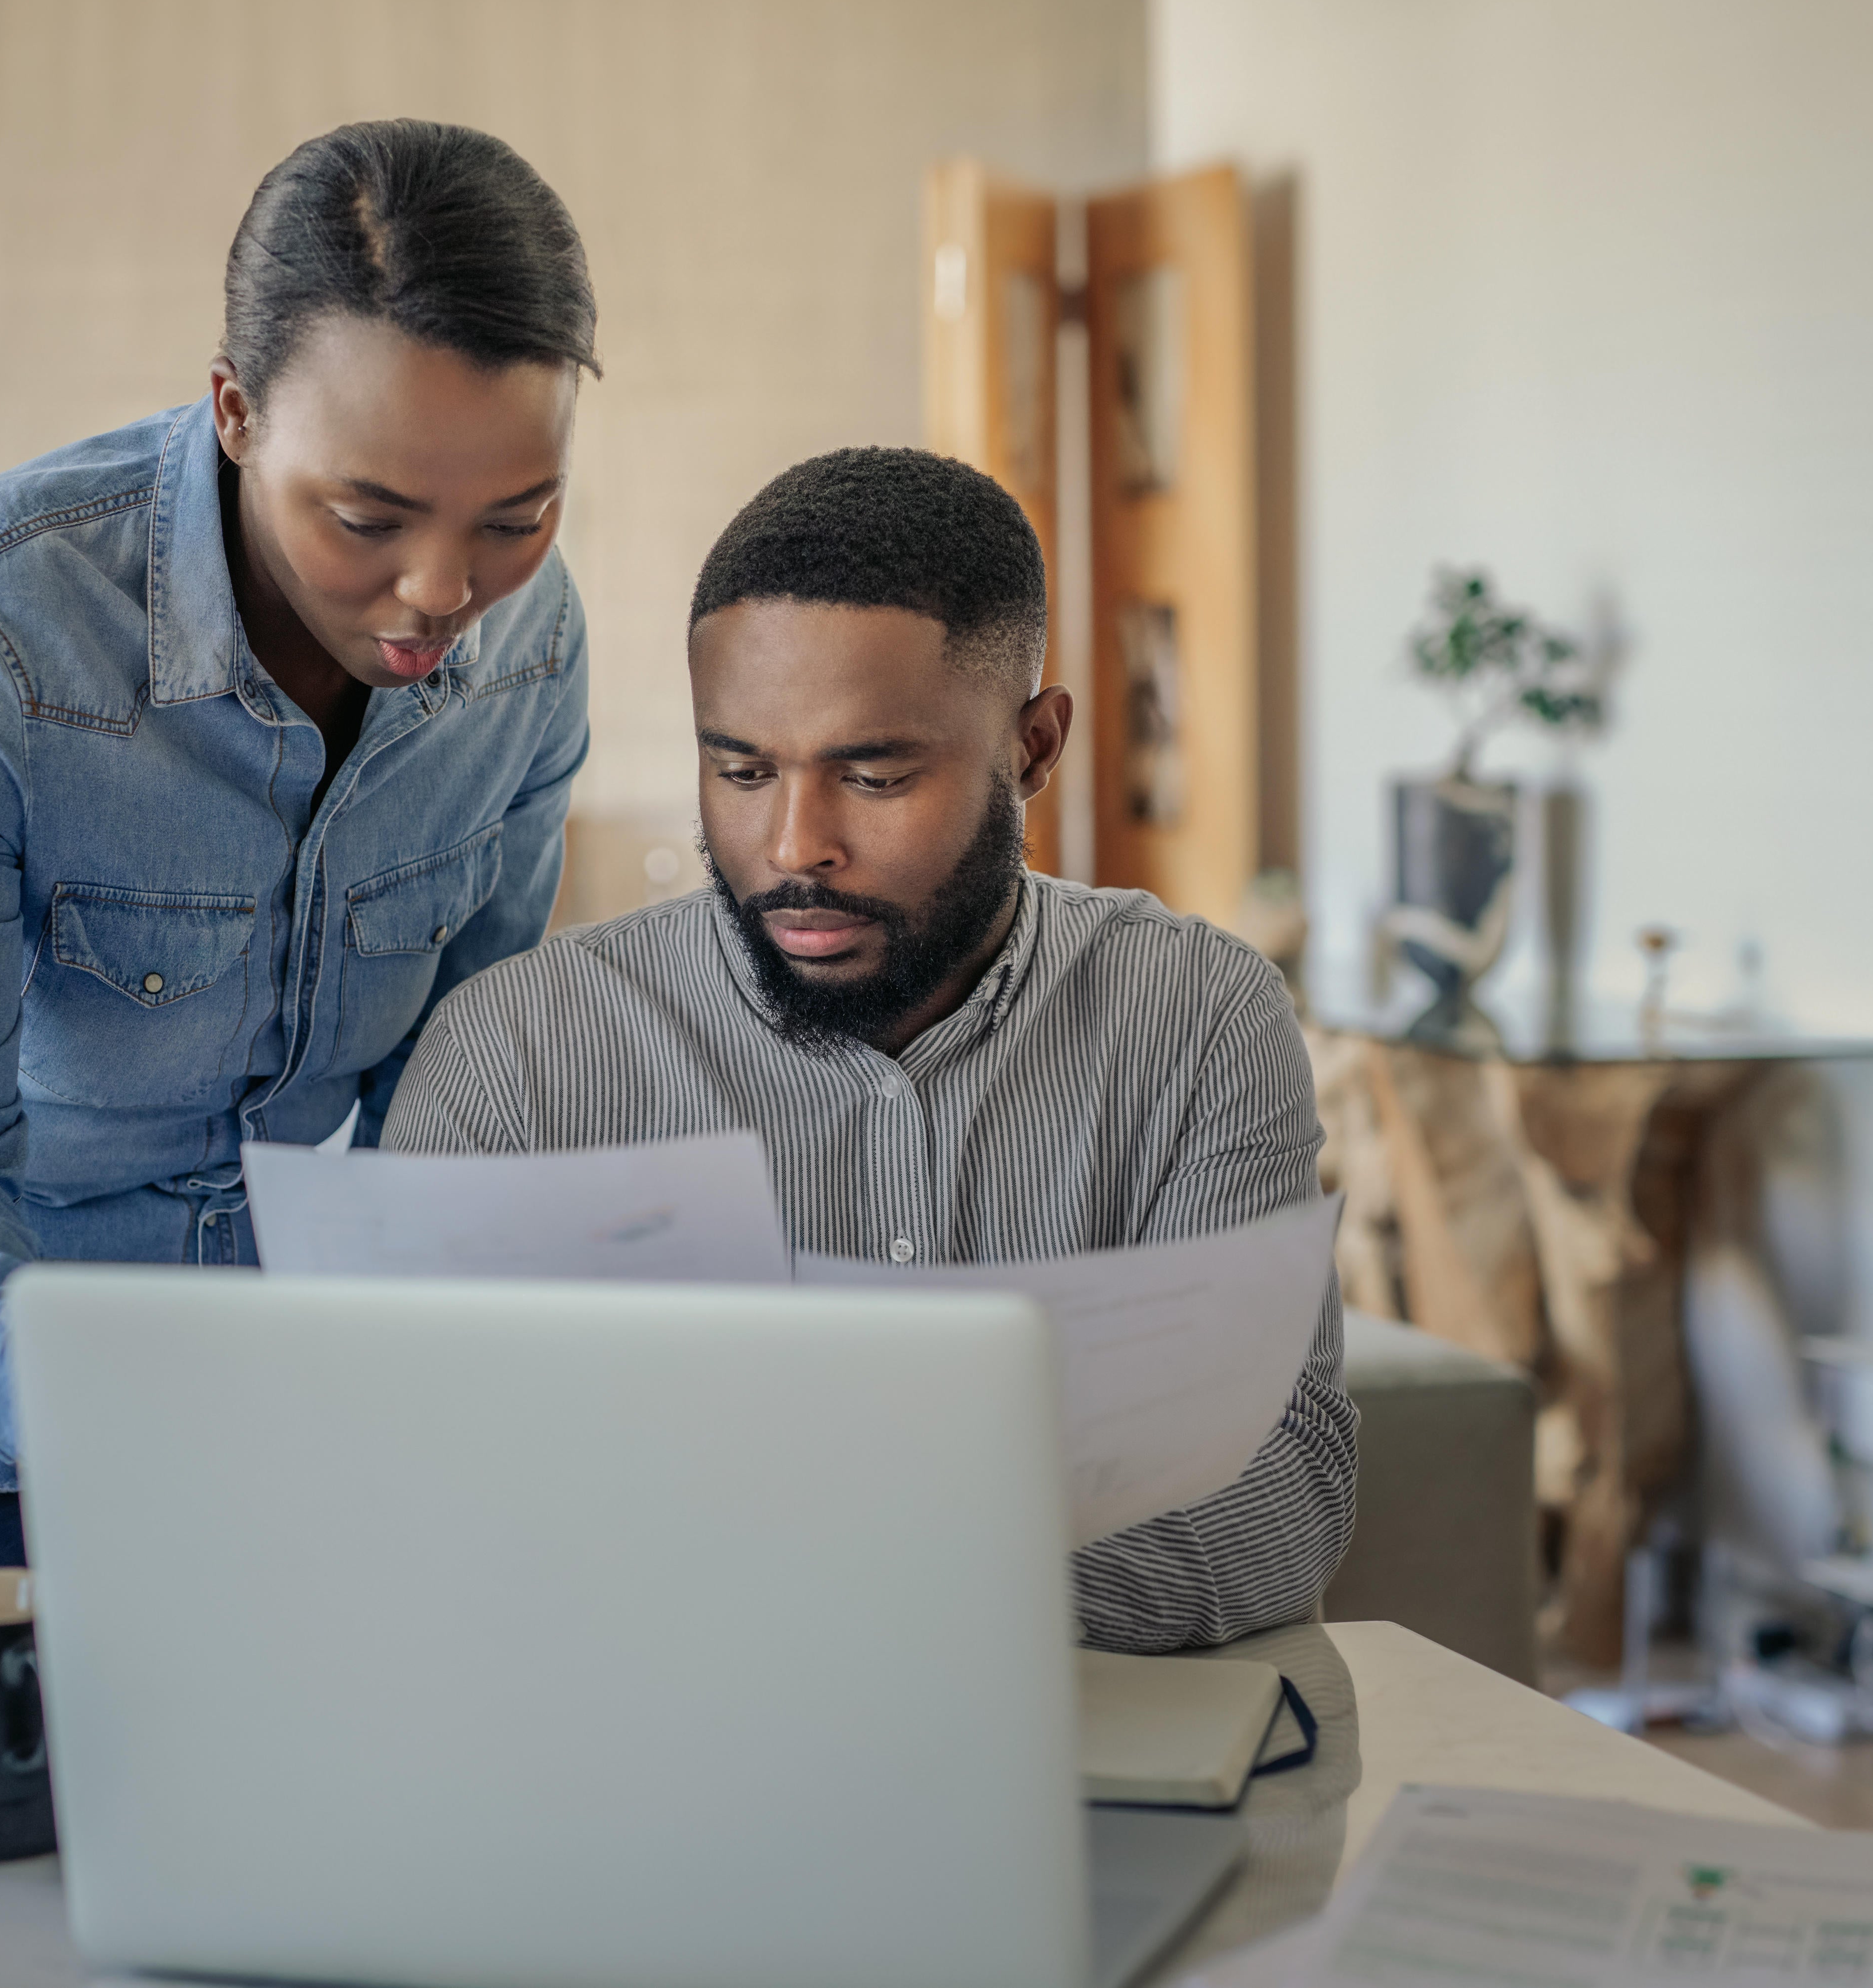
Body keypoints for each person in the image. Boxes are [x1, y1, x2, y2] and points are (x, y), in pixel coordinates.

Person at [0, 121, 596, 1620]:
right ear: (236, 412)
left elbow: (459, 1099)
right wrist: (145, 1445)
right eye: (368, 519)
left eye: (514, 518)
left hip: (251, 1392)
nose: (443, 593)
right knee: (54, 1801)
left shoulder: (530, 649)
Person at [383, 447, 1357, 1652]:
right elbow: (421, 1507)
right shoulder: (513, 1057)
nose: (796, 845)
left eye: (875, 774)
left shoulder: (1198, 1020)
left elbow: (1279, 1487)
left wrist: (826, 1573)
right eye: (739, 770)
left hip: (1086, 1776)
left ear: (1032, 750)